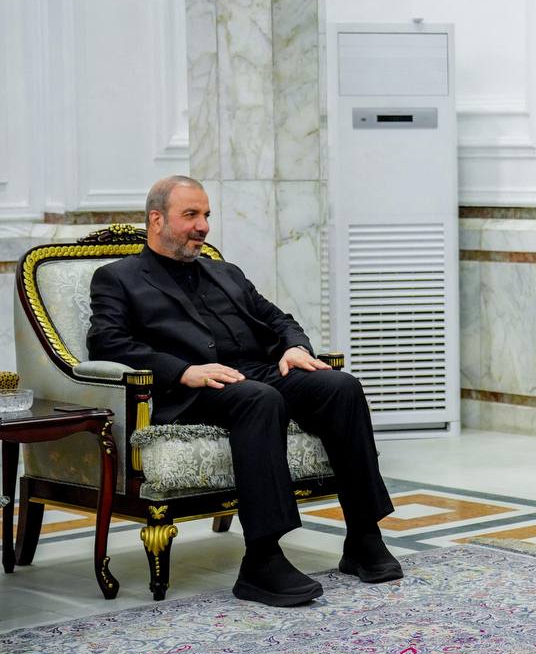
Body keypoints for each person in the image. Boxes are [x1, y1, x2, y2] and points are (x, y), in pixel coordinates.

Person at [87, 175, 401, 607]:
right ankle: (262, 559)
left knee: (341, 386)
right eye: (190, 215)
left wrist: (294, 347)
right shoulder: (118, 278)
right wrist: (183, 371)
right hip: (196, 389)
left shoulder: (224, 272)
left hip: (256, 372)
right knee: (259, 399)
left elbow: (278, 318)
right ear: (156, 220)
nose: (203, 226)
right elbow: (107, 342)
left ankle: (363, 537)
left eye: (206, 215)